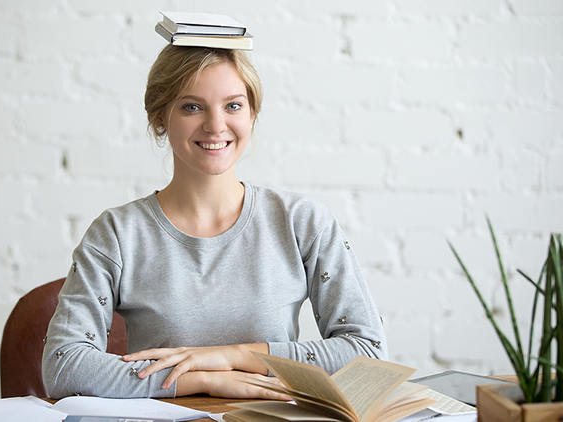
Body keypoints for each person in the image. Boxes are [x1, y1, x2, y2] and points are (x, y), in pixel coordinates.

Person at [42, 43, 387, 400]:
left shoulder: (302, 221)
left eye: (233, 105)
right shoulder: (116, 233)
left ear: (251, 114)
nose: (215, 125)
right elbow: (63, 366)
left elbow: (370, 354)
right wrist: (203, 378)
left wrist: (234, 356)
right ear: (160, 117)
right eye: (192, 107)